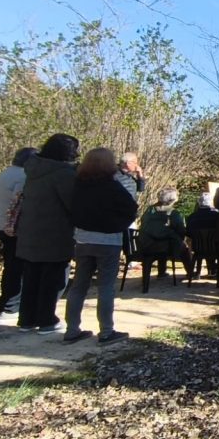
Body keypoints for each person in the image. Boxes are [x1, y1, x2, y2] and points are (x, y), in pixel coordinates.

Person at [65, 148, 138, 345]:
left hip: (83, 240)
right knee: (105, 287)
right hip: (108, 241)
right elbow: (131, 208)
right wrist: (119, 225)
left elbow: (69, 210)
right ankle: (106, 332)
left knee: (78, 285)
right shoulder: (112, 186)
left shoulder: (78, 186)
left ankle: (71, 330)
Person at [16, 133, 79, 334]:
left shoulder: (33, 169)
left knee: (31, 277)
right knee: (52, 278)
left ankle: (26, 319)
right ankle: (46, 320)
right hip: (55, 233)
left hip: (30, 230)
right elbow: (73, 203)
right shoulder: (63, 174)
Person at [0, 146, 37, 324]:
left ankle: (3, 307)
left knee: (11, 266)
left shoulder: (6, 173)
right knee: (18, 269)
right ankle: (10, 308)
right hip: (14, 227)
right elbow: (21, 202)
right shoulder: (23, 177)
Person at [138, 188, 193, 287]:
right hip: (166, 247)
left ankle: (161, 271)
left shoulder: (149, 210)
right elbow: (181, 230)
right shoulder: (173, 213)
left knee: (161, 240)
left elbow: (143, 224)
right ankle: (190, 273)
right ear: (171, 200)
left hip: (146, 245)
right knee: (182, 248)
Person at [187, 193, 219, 279]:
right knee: (214, 242)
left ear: (199, 203)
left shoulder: (192, 217)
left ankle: (198, 272)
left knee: (205, 244)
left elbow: (188, 233)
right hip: (215, 248)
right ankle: (214, 271)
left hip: (197, 248)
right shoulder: (217, 216)